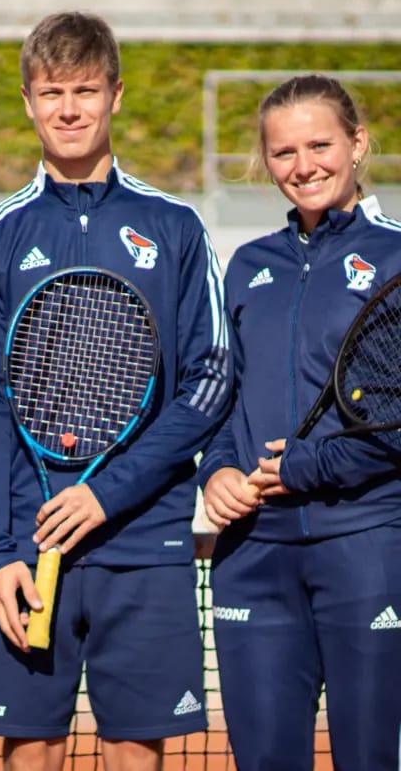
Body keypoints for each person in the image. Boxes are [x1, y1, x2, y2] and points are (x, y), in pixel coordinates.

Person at [0, 11, 231, 771]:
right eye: (51, 92)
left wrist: (106, 493)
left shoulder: (174, 227)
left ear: (116, 95)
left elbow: (209, 382)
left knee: (135, 753)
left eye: (84, 89)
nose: (68, 108)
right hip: (27, 547)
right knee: (31, 750)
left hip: (142, 543)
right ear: (27, 101)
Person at [199, 75, 401, 770]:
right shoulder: (249, 266)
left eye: (320, 144)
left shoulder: (395, 258)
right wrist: (218, 468)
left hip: (366, 548)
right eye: (283, 151)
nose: (304, 165)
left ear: (357, 143)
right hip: (253, 555)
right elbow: (221, 399)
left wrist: (305, 465)